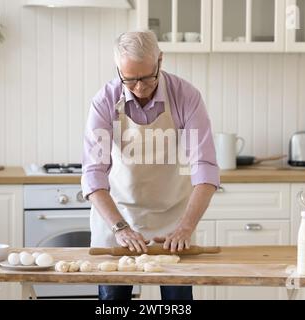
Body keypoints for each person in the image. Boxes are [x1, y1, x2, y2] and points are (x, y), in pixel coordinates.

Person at [81, 30, 219, 300]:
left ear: (160, 61)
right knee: (113, 304)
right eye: (129, 80)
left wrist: (186, 227)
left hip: (173, 220)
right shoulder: (104, 102)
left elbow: (204, 167)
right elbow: (94, 172)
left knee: (177, 304)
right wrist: (119, 227)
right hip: (118, 218)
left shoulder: (185, 97)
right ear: (118, 70)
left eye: (147, 77)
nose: (140, 88)